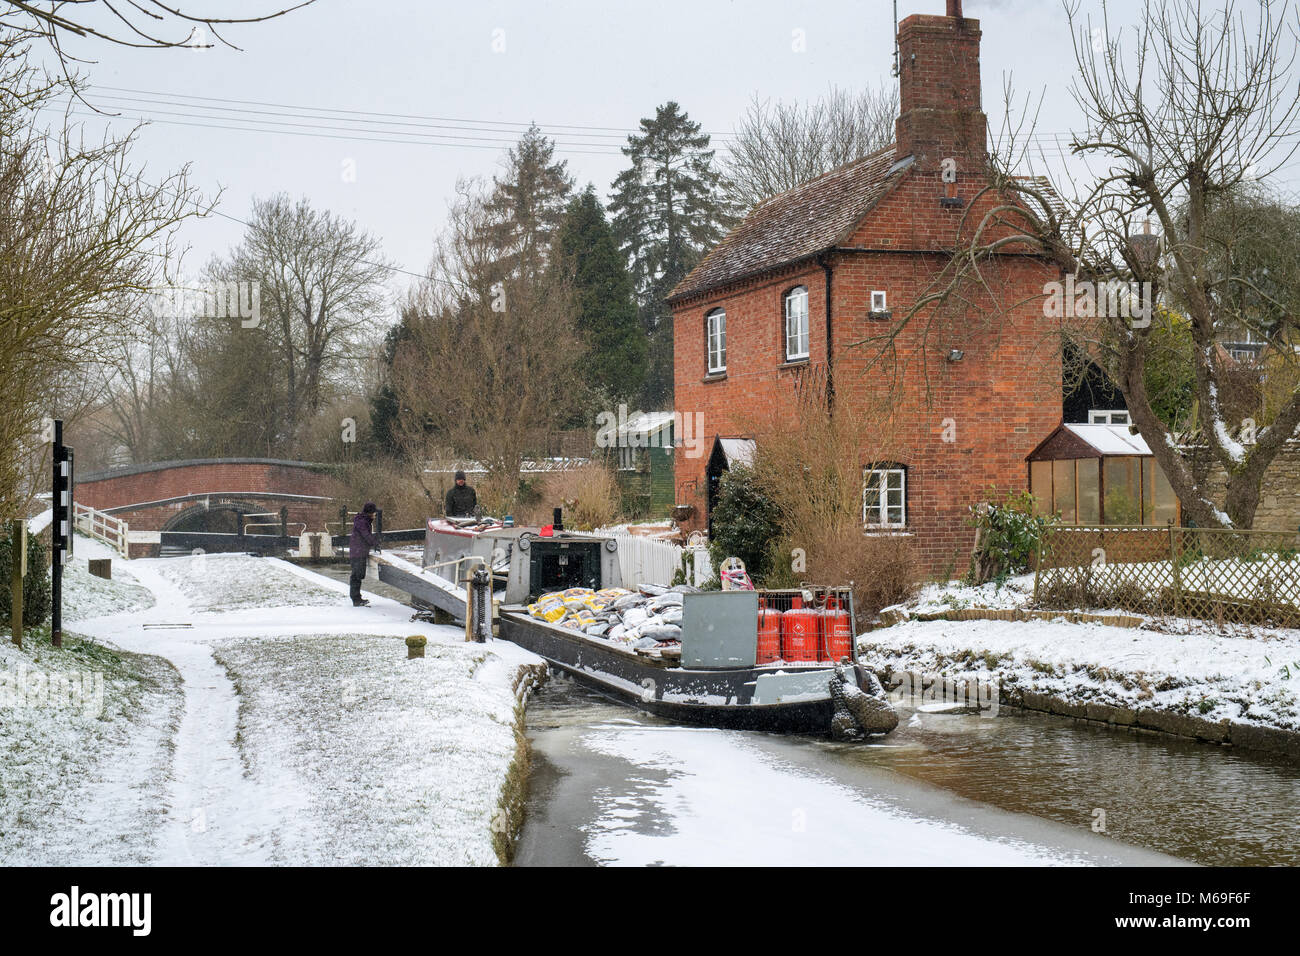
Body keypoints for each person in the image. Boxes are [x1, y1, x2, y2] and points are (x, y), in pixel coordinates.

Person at [349, 502, 381, 607]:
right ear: (370, 513)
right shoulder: (362, 522)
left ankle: (357, 598)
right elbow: (366, 535)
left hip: (359, 551)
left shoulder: (363, 520)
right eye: (374, 512)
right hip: (358, 552)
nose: (375, 515)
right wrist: (375, 543)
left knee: (358, 575)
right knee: (357, 575)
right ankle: (356, 599)